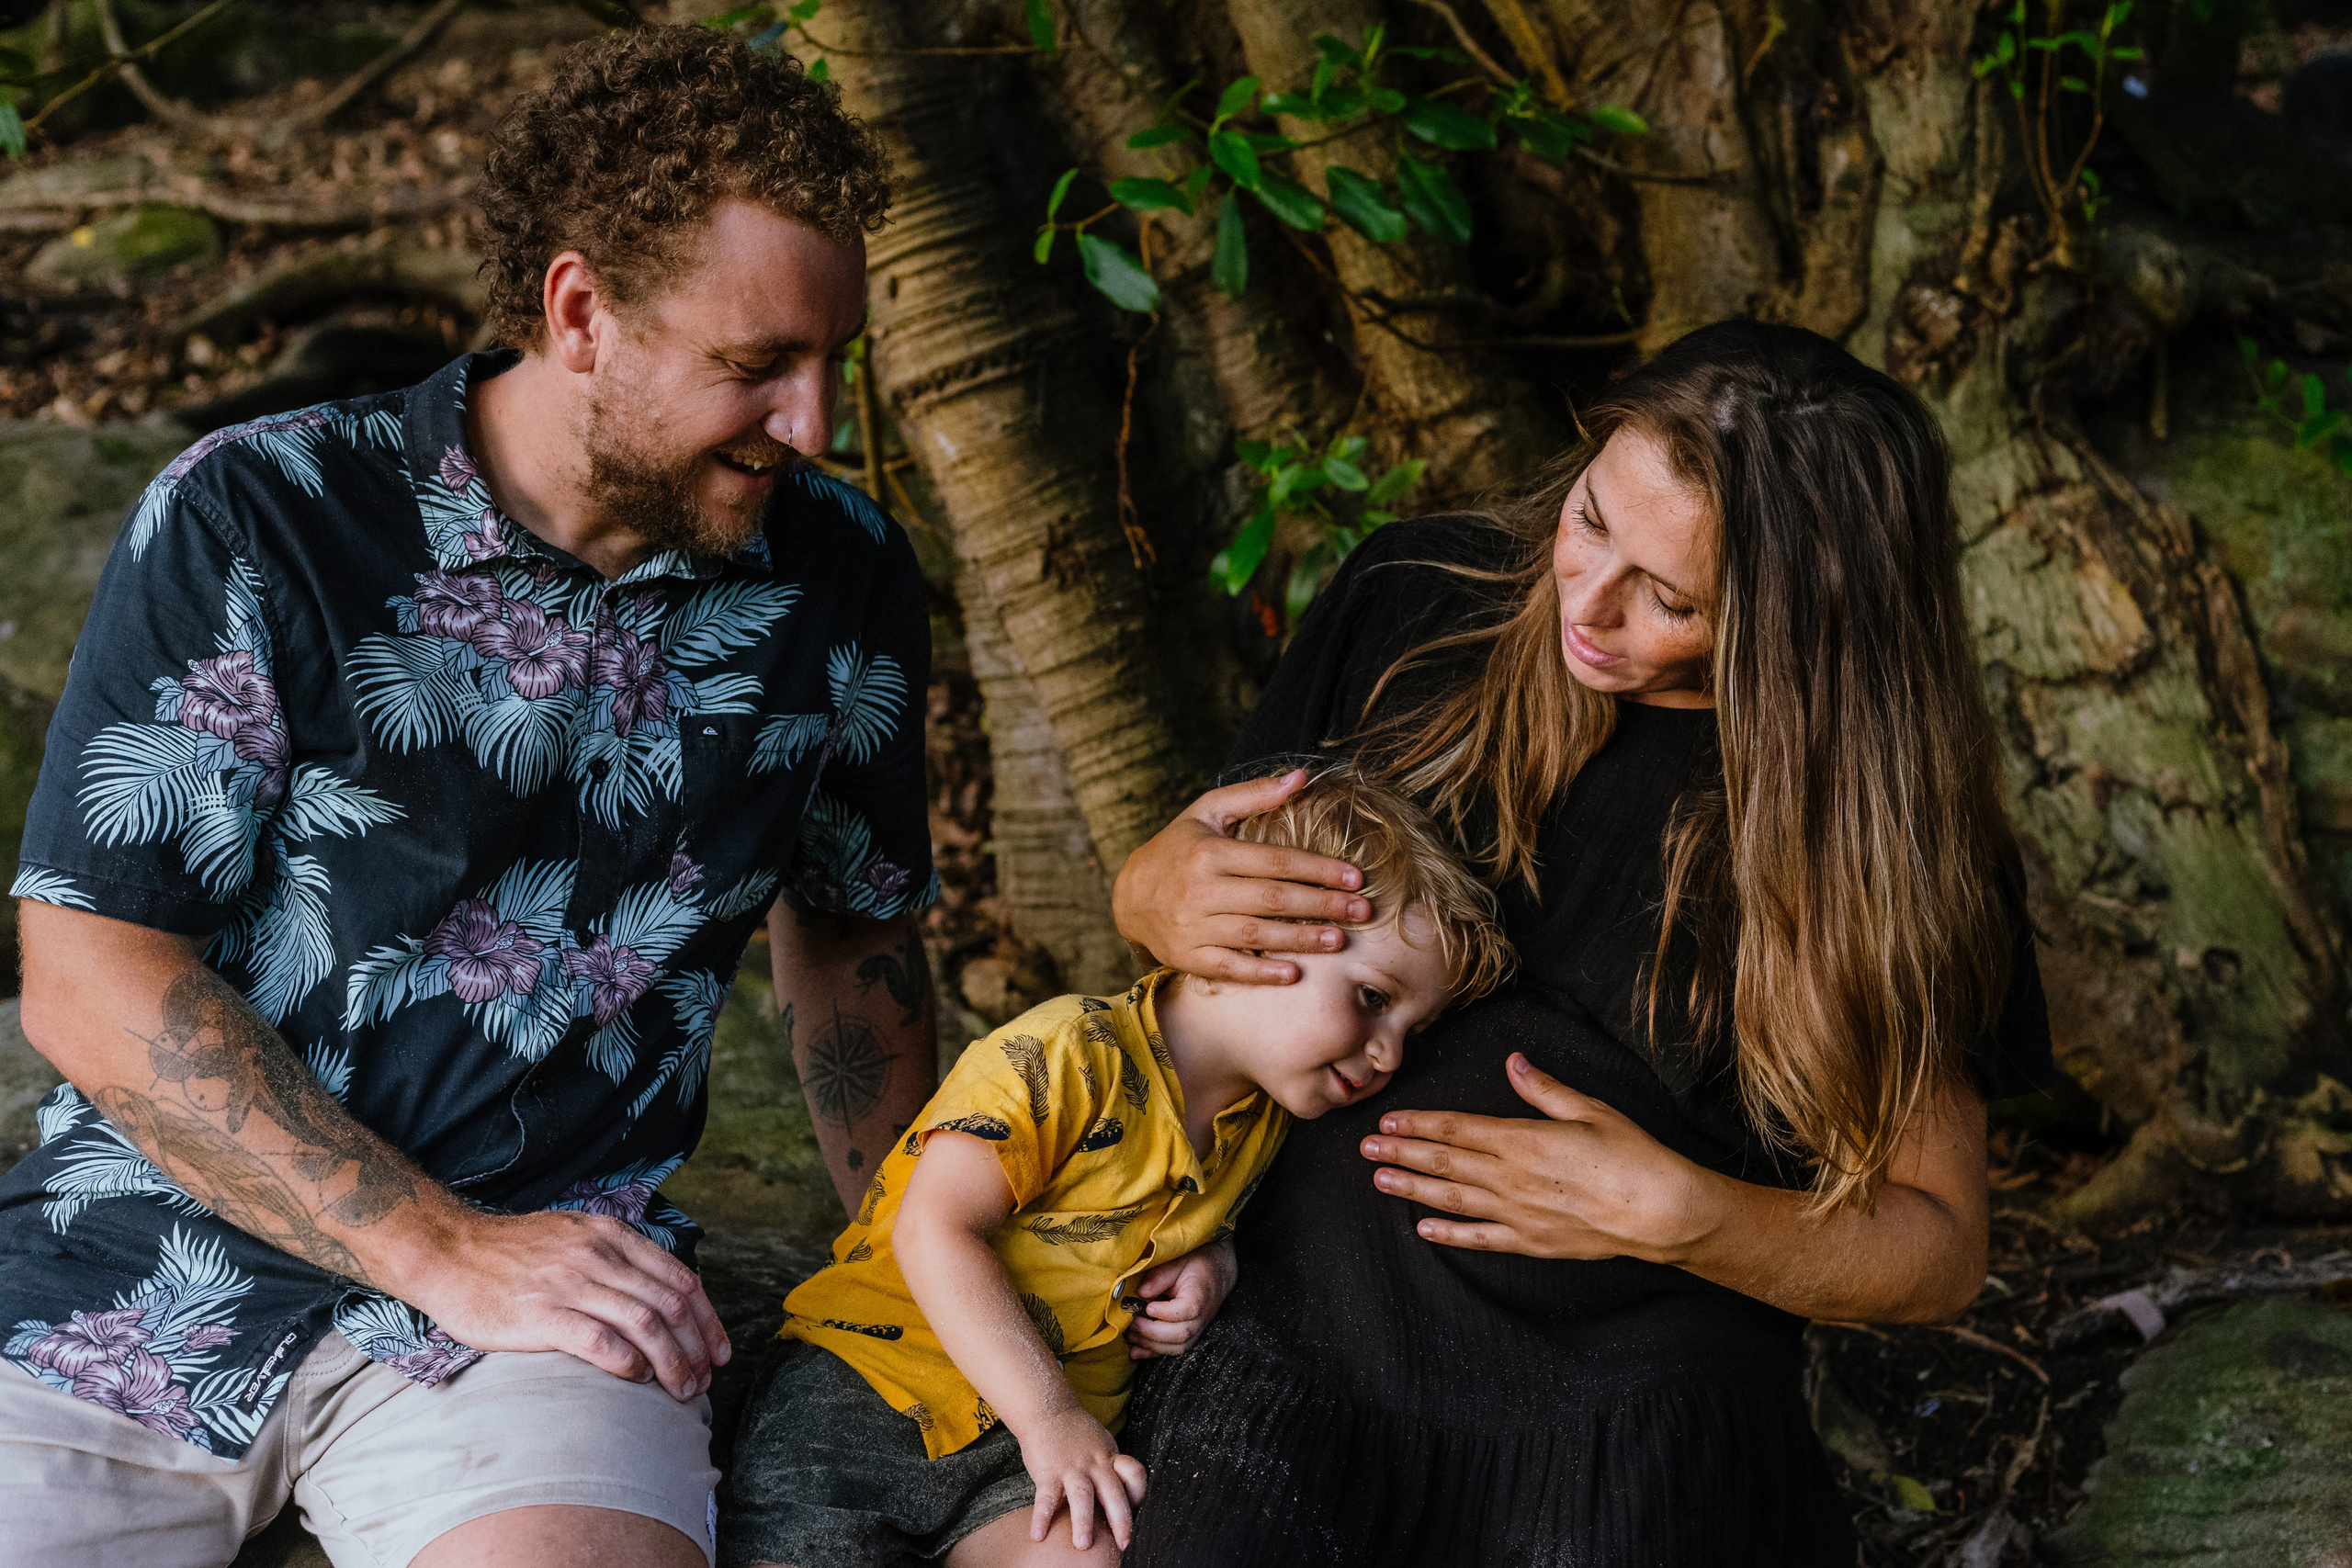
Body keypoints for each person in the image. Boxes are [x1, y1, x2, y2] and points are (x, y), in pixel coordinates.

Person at [0, 27, 942, 1568]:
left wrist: (909, 1266)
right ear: (582, 311)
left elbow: (852, 938)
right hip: (136, 1255)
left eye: (836, 362)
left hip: (558, 1297)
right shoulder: (266, 516)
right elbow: (94, 973)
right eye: (756, 366)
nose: (815, 425)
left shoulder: (839, 580)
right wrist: (439, 1247)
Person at [1109, 320, 2061, 1565]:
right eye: (1594, 515)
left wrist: (1689, 1215)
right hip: (1295, 1334)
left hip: (1638, 1401)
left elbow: (1938, 1250)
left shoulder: (1880, 836)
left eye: (1669, 598)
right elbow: (1200, 930)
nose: (1590, 600)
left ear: (1804, 627)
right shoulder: (1415, 599)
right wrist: (1147, 887)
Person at [722, 764, 1512, 1568]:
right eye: (1376, 999)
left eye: (1411, 1030)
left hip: (1023, 1453)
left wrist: (1216, 1261)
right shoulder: (1069, 1052)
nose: (1389, 1053)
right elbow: (934, 1228)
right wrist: (1050, 1418)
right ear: (1255, 931)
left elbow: (1181, 1220)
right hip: (871, 1386)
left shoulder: (1263, 1122)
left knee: (1087, 1556)